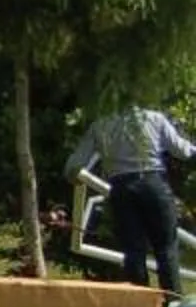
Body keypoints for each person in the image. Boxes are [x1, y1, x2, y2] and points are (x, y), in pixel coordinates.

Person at [67, 99, 196, 295]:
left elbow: (74, 167)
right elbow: (184, 151)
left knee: (133, 249)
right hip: (152, 183)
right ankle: (173, 301)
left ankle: (140, 303)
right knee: (166, 247)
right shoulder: (154, 119)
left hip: (121, 188)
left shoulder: (101, 124)